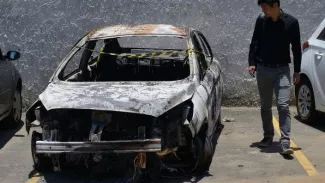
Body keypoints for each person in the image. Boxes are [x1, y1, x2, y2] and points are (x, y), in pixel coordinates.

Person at [248, 0, 302, 154]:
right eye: (262, 7)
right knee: (265, 106)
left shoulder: (291, 23)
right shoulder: (261, 20)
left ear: (275, 5)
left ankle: (285, 142)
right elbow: (254, 42)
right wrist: (252, 62)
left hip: (282, 70)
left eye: (265, 7)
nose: (263, 10)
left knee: (283, 105)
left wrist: (297, 71)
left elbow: (296, 49)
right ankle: (268, 136)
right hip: (263, 69)